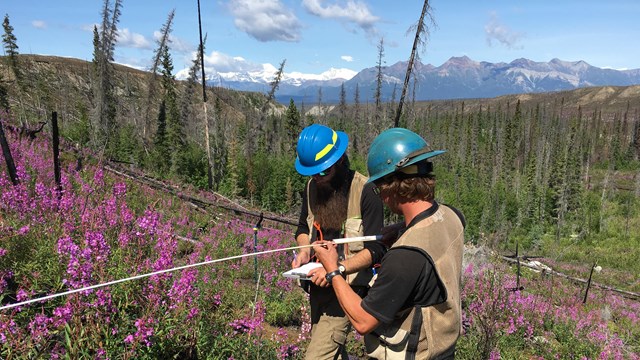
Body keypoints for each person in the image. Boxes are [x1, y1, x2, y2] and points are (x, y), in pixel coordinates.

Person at [313, 128, 465, 359]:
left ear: (390, 186)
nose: (381, 196)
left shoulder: (404, 256)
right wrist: (403, 229)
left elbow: (363, 321)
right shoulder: (453, 216)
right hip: (443, 348)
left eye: (378, 187)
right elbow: (431, 226)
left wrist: (333, 269)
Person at [292, 123, 386, 360]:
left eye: (324, 172)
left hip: (348, 289)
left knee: (317, 356)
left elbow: (376, 249)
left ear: (340, 160)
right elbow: (304, 227)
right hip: (316, 284)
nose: (319, 178)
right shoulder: (312, 186)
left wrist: (336, 269)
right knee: (332, 351)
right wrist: (303, 252)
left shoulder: (366, 191)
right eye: (312, 172)